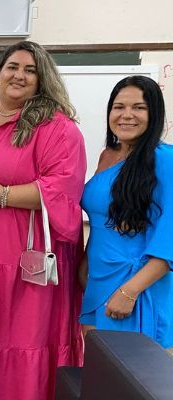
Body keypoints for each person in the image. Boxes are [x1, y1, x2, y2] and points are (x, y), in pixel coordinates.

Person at [0, 41, 86, 400]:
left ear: (42, 79)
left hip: (18, 263)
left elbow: (64, 189)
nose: (19, 75)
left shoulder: (57, 127)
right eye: (12, 67)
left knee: (18, 340)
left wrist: (4, 195)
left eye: (30, 70)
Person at [79, 76, 173, 347]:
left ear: (154, 114)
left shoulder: (165, 159)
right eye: (119, 107)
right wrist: (84, 266)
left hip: (136, 288)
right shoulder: (107, 156)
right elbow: (103, 218)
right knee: (99, 369)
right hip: (97, 283)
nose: (127, 115)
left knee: (134, 372)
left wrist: (130, 291)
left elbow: (169, 237)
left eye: (139, 107)